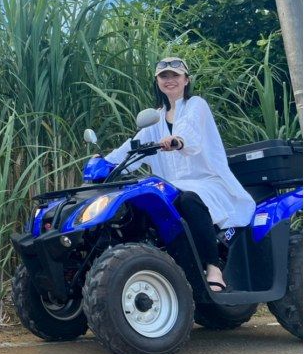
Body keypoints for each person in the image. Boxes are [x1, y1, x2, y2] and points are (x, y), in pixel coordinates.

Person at [103, 56, 255, 292]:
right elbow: (132, 146)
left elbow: (190, 131)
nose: (170, 80)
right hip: (171, 185)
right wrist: (106, 164)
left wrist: (177, 140)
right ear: (157, 81)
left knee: (188, 199)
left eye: (175, 75)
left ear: (186, 79)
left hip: (208, 182)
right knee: (137, 204)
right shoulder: (155, 118)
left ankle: (213, 267)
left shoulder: (196, 105)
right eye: (164, 76)